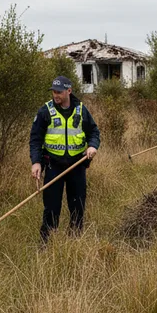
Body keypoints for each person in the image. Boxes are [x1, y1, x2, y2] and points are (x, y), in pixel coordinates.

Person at [29, 76, 100, 243]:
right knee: (51, 208)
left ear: (69, 91)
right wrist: (36, 162)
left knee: (77, 207)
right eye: (54, 91)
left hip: (77, 166)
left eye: (59, 92)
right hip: (53, 166)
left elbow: (94, 133)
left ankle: (74, 241)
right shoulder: (45, 111)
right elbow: (35, 139)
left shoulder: (81, 110)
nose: (56, 95)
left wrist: (92, 146)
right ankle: (46, 243)